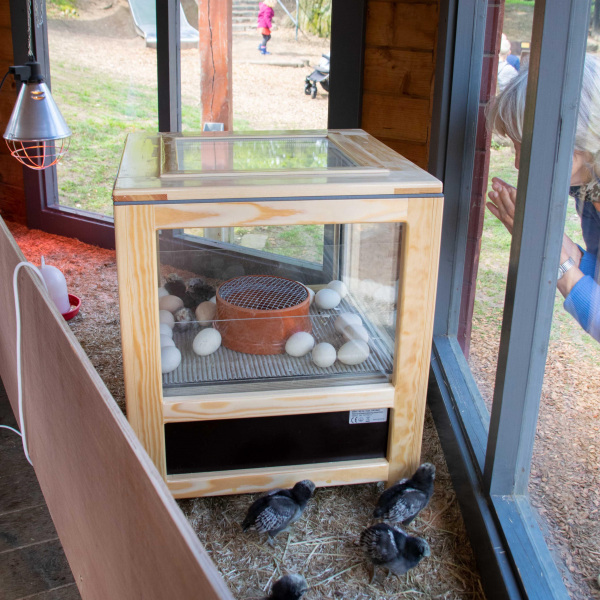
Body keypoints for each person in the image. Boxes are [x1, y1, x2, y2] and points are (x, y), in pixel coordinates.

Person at [486, 53, 600, 342]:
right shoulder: (587, 188)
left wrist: (557, 260)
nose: (516, 163)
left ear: (573, 141)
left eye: (522, 146)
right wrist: (553, 244)